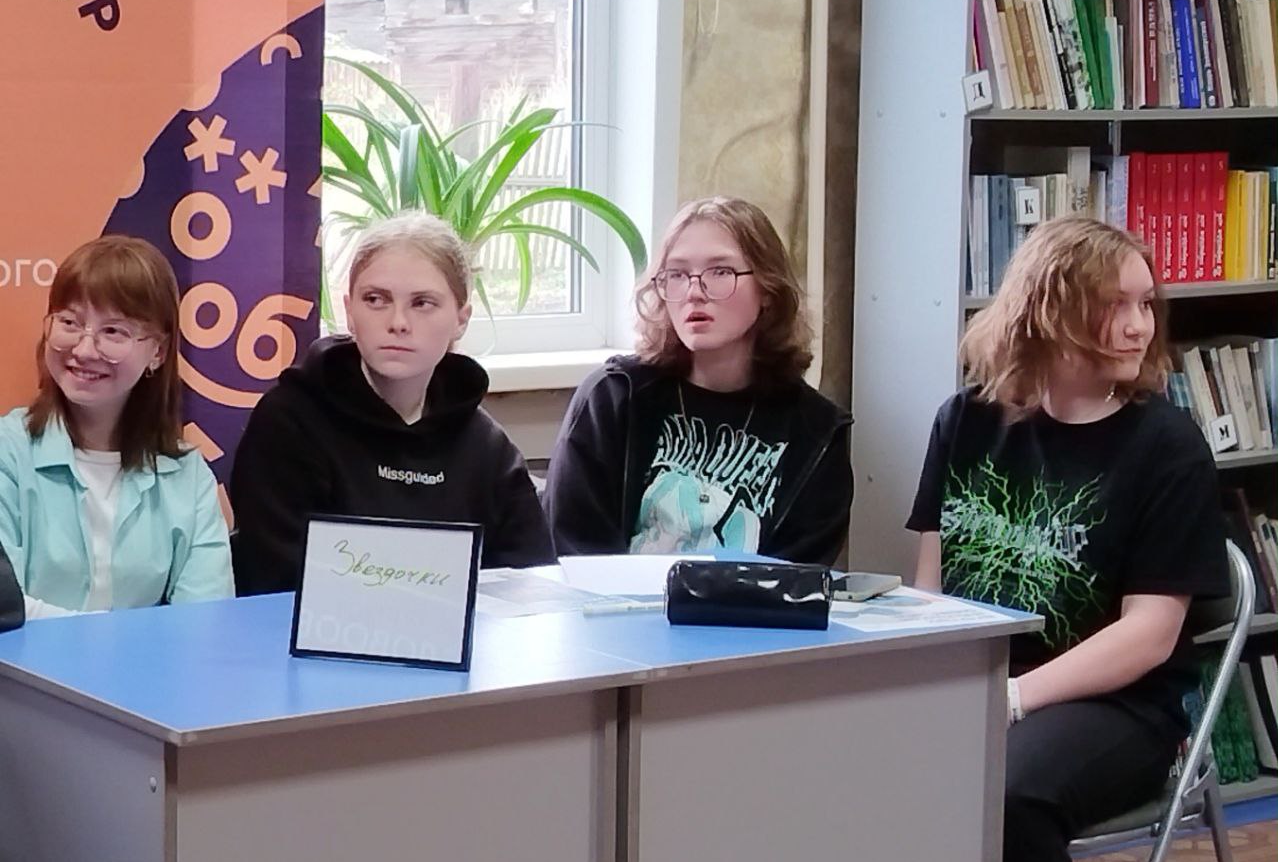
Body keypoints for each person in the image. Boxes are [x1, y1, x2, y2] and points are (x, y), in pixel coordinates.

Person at [906, 216, 1228, 862]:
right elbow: (930, 591)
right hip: (977, 680)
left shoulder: (1168, 448)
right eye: (1115, 305)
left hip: (1118, 705)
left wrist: (1012, 698)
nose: (1139, 327)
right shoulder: (965, 421)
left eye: (1146, 304)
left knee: (1008, 793)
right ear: (1048, 312)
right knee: (844, 755)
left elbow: (1150, 635)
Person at [230, 213, 554, 594]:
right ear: (350, 312)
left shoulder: (486, 446)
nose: (398, 322)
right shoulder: (289, 425)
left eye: (422, 303)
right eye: (376, 300)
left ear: (461, 319)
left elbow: (532, 583)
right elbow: (273, 585)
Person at [544, 196, 853, 564]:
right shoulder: (613, 398)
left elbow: (799, 579)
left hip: (748, 605)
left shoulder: (816, 431)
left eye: (720, 272)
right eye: (676, 274)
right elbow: (574, 554)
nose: (694, 292)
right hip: (612, 602)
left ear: (768, 290)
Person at [0, 235, 234, 617]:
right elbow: (6, 610)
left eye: (113, 332)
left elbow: (203, 621)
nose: (84, 350)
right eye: (69, 322)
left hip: (149, 660)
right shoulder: (8, 452)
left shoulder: (187, 475)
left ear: (158, 351)